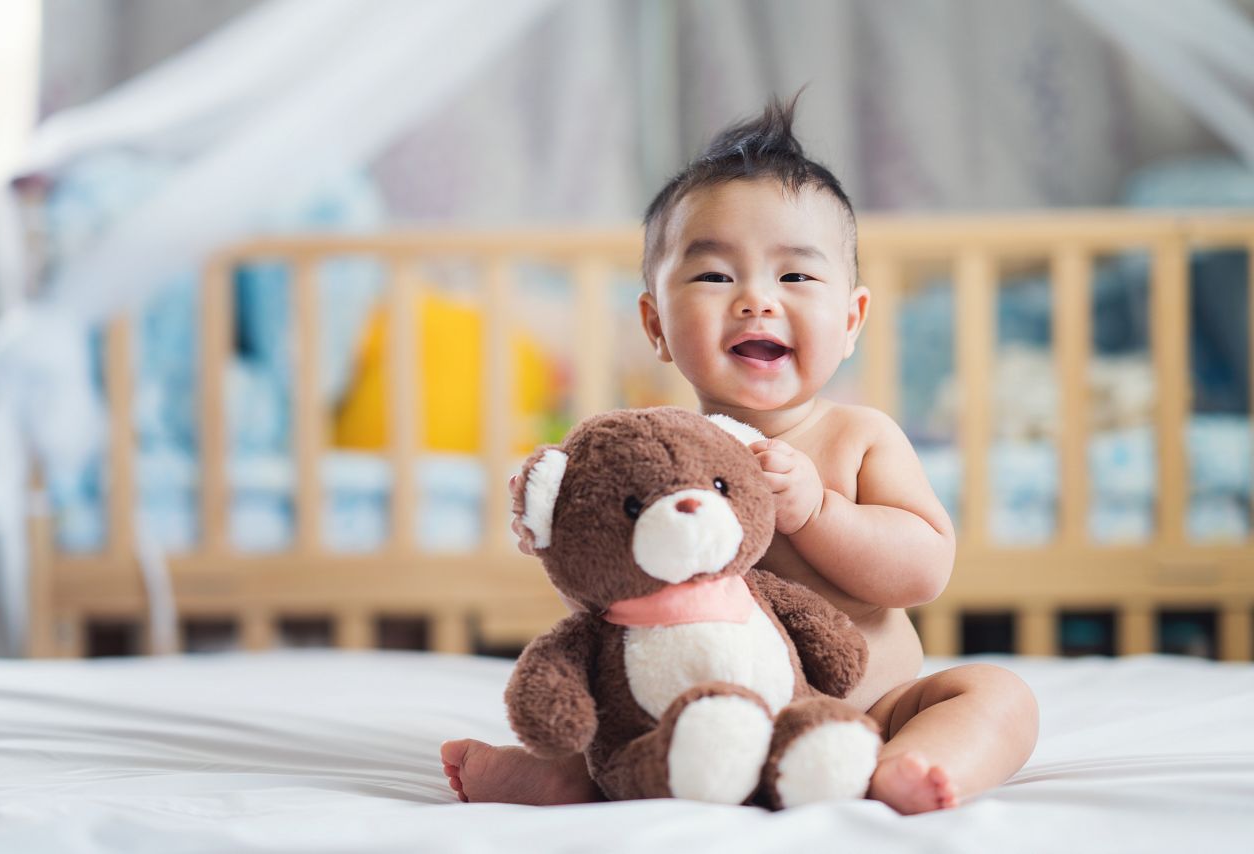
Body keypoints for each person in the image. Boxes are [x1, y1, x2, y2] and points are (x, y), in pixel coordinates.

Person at [441, 93, 1039, 815]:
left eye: (795, 276)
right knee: (600, 720)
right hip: (694, 723)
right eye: (716, 276)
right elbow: (619, 602)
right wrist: (562, 536)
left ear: (851, 321)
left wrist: (818, 513)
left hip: (866, 716)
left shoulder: (859, 437)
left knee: (998, 696)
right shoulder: (649, 459)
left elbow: (922, 571)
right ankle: (565, 777)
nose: (757, 300)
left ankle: (905, 768)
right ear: (655, 323)